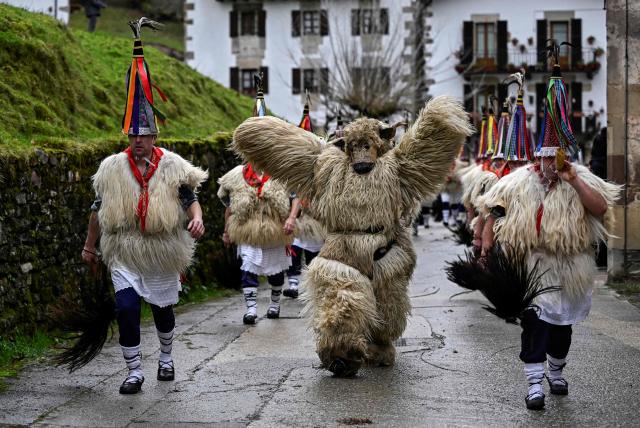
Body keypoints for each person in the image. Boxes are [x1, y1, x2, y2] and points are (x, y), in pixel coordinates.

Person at [480, 55, 620, 410]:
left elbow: (601, 209)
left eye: (555, 160)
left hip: (570, 267)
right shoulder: (516, 182)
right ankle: (533, 384)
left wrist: (573, 179)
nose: (549, 167)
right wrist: (485, 252)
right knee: (534, 325)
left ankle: (556, 371)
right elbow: (491, 211)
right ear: (535, 158)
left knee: (562, 329)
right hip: (532, 266)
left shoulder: (579, 178)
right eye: (544, 159)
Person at [82, 18, 208, 395]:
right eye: (133, 134)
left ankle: (166, 358)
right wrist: (90, 247)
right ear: (128, 135)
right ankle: (134, 370)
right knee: (125, 307)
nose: (139, 140)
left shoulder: (172, 165)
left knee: (163, 309)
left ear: (155, 134)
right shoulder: (111, 168)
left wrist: (197, 220)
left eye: (145, 134)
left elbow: (190, 199)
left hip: (161, 250)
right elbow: (96, 208)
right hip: (124, 249)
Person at [217, 74, 295, 323]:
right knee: (248, 268)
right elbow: (229, 206)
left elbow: (295, 198)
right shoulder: (236, 175)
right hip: (248, 229)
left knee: (274, 272)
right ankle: (250, 308)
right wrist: (227, 231)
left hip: (273, 229)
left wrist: (291, 220)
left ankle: (274, 303)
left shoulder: (282, 174)